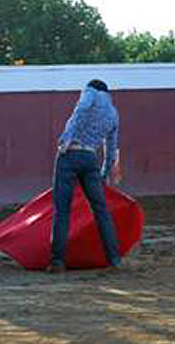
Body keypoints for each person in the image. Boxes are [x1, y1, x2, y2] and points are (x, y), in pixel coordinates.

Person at [48, 79, 121, 273]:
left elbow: (80, 110)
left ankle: (58, 261)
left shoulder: (90, 94)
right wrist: (104, 175)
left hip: (70, 155)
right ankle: (114, 259)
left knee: (62, 211)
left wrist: (66, 138)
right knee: (101, 211)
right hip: (90, 159)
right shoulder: (113, 113)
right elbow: (111, 148)